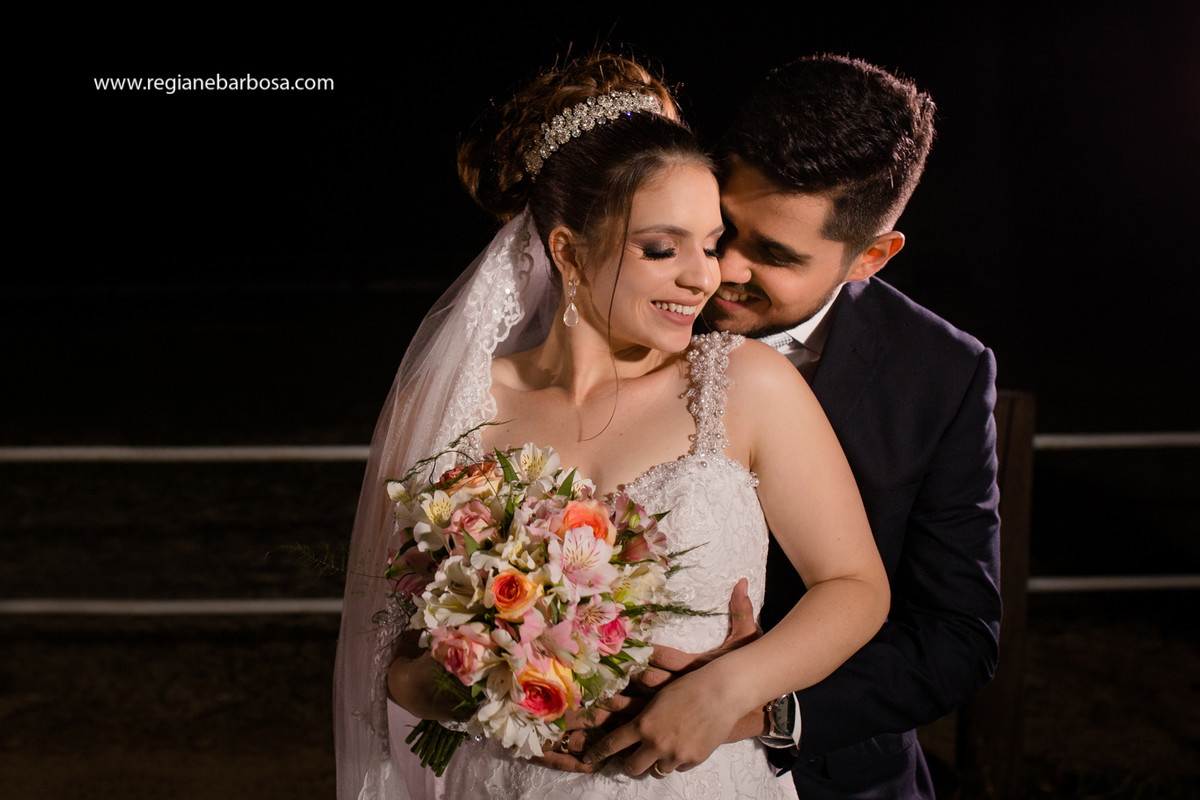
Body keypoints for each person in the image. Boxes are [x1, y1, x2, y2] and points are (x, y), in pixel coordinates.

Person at [334, 53, 890, 800]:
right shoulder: (455, 405)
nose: (704, 276)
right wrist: (487, 693)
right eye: (662, 248)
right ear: (568, 251)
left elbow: (855, 587)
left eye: (710, 243)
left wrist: (728, 690)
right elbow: (391, 650)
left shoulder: (745, 386)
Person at [631, 55, 1002, 799]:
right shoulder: (630, 301)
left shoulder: (940, 372)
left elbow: (957, 635)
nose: (722, 270)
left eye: (773, 255)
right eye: (726, 228)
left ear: (870, 258)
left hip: (836, 777)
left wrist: (765, 708)